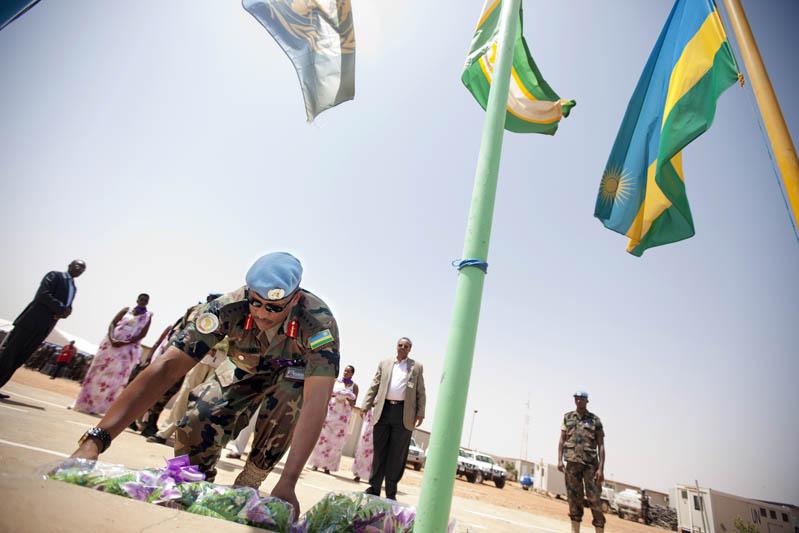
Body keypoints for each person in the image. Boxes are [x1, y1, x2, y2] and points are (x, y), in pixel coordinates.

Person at [70, 252, 340, 516]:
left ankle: (251, 479)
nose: (262, 313)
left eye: (274, 307)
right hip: (243, 368)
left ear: (295, 299)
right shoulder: (227, 307)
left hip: (292, 379)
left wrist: (288, 482)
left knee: (290, 395)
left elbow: (316, 401)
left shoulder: (317, 323)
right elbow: (167, 367)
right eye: (256, 302)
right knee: (199, 417)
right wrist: (96, 439)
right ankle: (193, 477)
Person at [0, 260, 86, 398]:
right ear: (69, 265)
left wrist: (67, 312)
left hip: (45, 327)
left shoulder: (73, 287)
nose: (80, 269)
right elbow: (43, 294)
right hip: (31, 322)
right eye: (78, 266)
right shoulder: (55, 275)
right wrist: (61, 309)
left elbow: (67, 306)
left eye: (83, 269)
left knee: (20, 358)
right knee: (9, 354)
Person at [361, 337, 426, 500]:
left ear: (410, 349)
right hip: (383, 411)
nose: (402, 348)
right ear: (396, 346)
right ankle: (374, 488)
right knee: (379, 452)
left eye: (406, 346)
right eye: (400, 345)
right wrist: (366, 404)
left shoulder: (416, 367)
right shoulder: (385, 363)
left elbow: (421, 391)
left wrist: (420, 412)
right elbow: (374, 385)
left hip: (403, 414)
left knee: (397, 455)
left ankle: (391, 492)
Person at [72, 294, 153, 415]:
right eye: (141, 299)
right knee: (98, 373)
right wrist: (112, 338)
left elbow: (142, 334)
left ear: (147, 302)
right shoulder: (127, 310)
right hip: (110, 345)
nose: (143, 301)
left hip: (127, 350)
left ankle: (101, 407)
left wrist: (125, 342)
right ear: (137, 300)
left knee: (114, 379)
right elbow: (113, 323)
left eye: (146, 300)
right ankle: (86, 403)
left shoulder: (148, 316)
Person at [147, 337, 228, 445]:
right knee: (185, 396)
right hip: (204, 355)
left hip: (224, 363)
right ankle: (163, 433)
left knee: (207, 403)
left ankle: (191, 440)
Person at [557, 391, 606, 533]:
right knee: (574, 499)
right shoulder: (567, 417)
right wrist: (559, 460)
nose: (579, 401)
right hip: (572, 465)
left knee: (594, 499)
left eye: (582, 399)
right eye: (577, 398)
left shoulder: (595, 420)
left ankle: (599, 529)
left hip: (591, 466)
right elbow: (562, 440)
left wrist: (601, 469)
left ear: (587, 401)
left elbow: (601, 445)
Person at [308, 364, 358, 474]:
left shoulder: (354, 386)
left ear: (352, 374)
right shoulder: (336, 381)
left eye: (348, 371)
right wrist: (336, 394)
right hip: (330, 413)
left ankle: (328, 467)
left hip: (343, 417)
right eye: (345, 371)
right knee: (323, 438)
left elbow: (353, 403)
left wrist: (347, 396)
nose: (345, 373)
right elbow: (327, 394)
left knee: (336, 442)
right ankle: (316, 464)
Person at [351, 408, 375, 483]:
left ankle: (372, 476)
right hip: (368, 428)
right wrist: (364, 408)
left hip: (379, 428)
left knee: (374, 455)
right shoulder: (369, 410)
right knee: (362, 451)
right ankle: (358, 474)